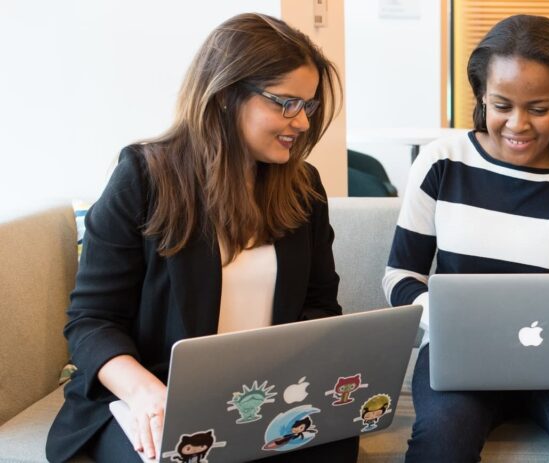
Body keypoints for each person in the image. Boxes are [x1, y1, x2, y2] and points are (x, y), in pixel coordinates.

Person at [45, 13, 357, 462]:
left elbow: (320, 305)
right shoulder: (143, 177)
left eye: (306, 106)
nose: (303, 122)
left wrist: (306, 380)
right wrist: (148, 395)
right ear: (227, 95)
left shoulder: (303, 188)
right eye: (286, 103)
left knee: (334, 445)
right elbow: (92, 322)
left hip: (263, 399)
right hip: (153, 396)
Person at [383, 14, 549, 463]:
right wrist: (444, 318)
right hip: (460, 360)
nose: (517, 125)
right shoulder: (442, 162)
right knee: (439, 445)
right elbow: (400, 275)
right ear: (481, 95)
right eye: (501, 105)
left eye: (538, 108)